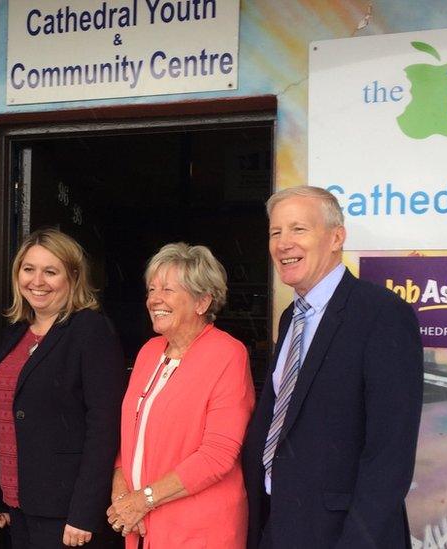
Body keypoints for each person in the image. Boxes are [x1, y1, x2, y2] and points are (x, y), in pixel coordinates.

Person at [242, 186, 423, 548]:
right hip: (279, 526)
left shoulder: (382, 315)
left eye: (298, 229)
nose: (283, 243)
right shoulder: (291, 317)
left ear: (336, 237)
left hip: (342, 535)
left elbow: (390, 456)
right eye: (275, 232)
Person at [0, 229, 125, 548]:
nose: (37, 281)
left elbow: (105, 427)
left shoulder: (90, 330)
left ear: (72, 276)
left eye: (51, 271)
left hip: (66, 511)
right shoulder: (14, 333)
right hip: (16, 505)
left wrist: (85, 512)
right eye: (28, 269)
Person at [107, 243, 254, 548]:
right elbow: (130, 435)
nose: (154, 300)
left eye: (168, 290)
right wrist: (122, 493)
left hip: (199, 529)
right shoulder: (149, 352)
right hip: (142, 526)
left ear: (202, 301)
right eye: (151, 289)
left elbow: (217, 455)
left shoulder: (228, 354)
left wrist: (143, 499)